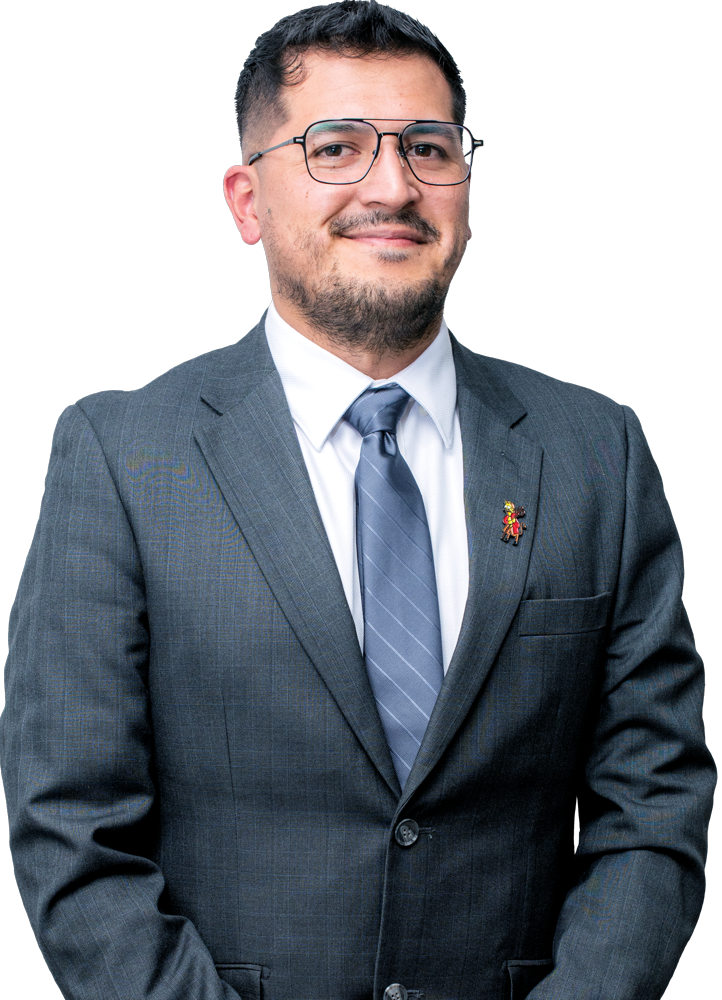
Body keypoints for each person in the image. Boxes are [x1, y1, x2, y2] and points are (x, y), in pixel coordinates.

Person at [0, 2, 715, 998]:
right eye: (335, 147)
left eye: (429, 148)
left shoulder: (597, 451)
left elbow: (654, 803)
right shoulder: (122, 456)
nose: (393, 186)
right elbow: (70, 829)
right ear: (247, 201)